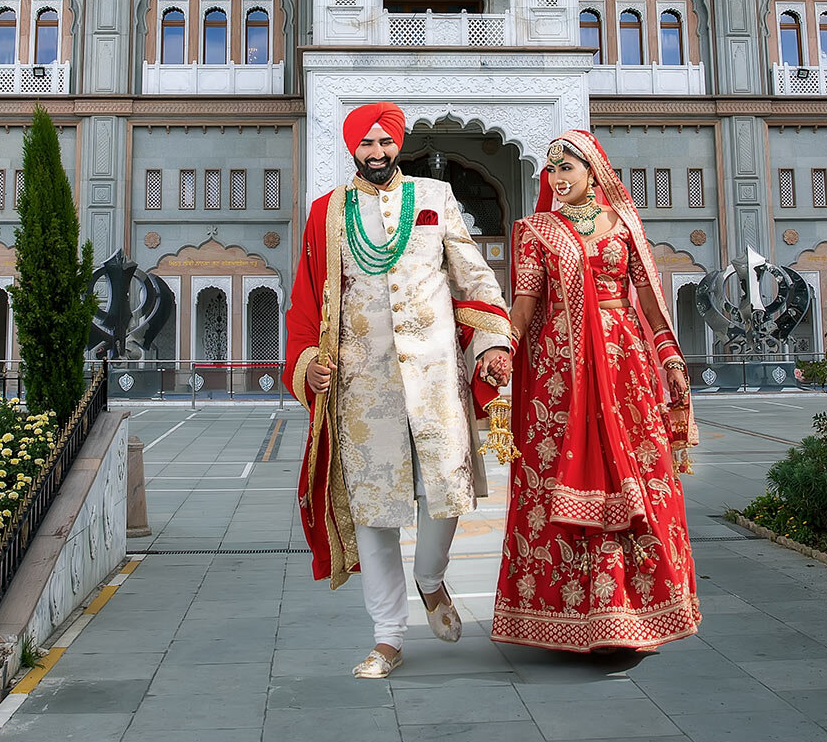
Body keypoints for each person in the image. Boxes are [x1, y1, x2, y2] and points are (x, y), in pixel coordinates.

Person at [283, 102, 513, 678]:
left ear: (398, 144)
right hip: (362, 388)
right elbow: (309, 297)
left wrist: (491, 343)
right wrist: (310, 362)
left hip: (435, 376)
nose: (379, 153)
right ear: (352, 148)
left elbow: (474, 275)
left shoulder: (435, 198)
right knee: (374, 513)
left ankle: (430, 580)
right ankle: (387, 637)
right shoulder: (326, 213)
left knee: (447, 491)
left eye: (387, 143)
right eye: (368, 145)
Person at [490, 129, 702, 652]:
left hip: (624, 367)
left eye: (568, 168)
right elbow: (525, 306)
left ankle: (635, 618)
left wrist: (670, 356)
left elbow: (649, 302)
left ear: (594, 171)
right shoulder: (536, 230)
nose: (558, 179)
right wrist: (501, 349)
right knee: (554, 485)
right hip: (559, 377)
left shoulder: (625, 225)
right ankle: (568, 618)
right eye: (551, 170)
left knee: (640, 479)